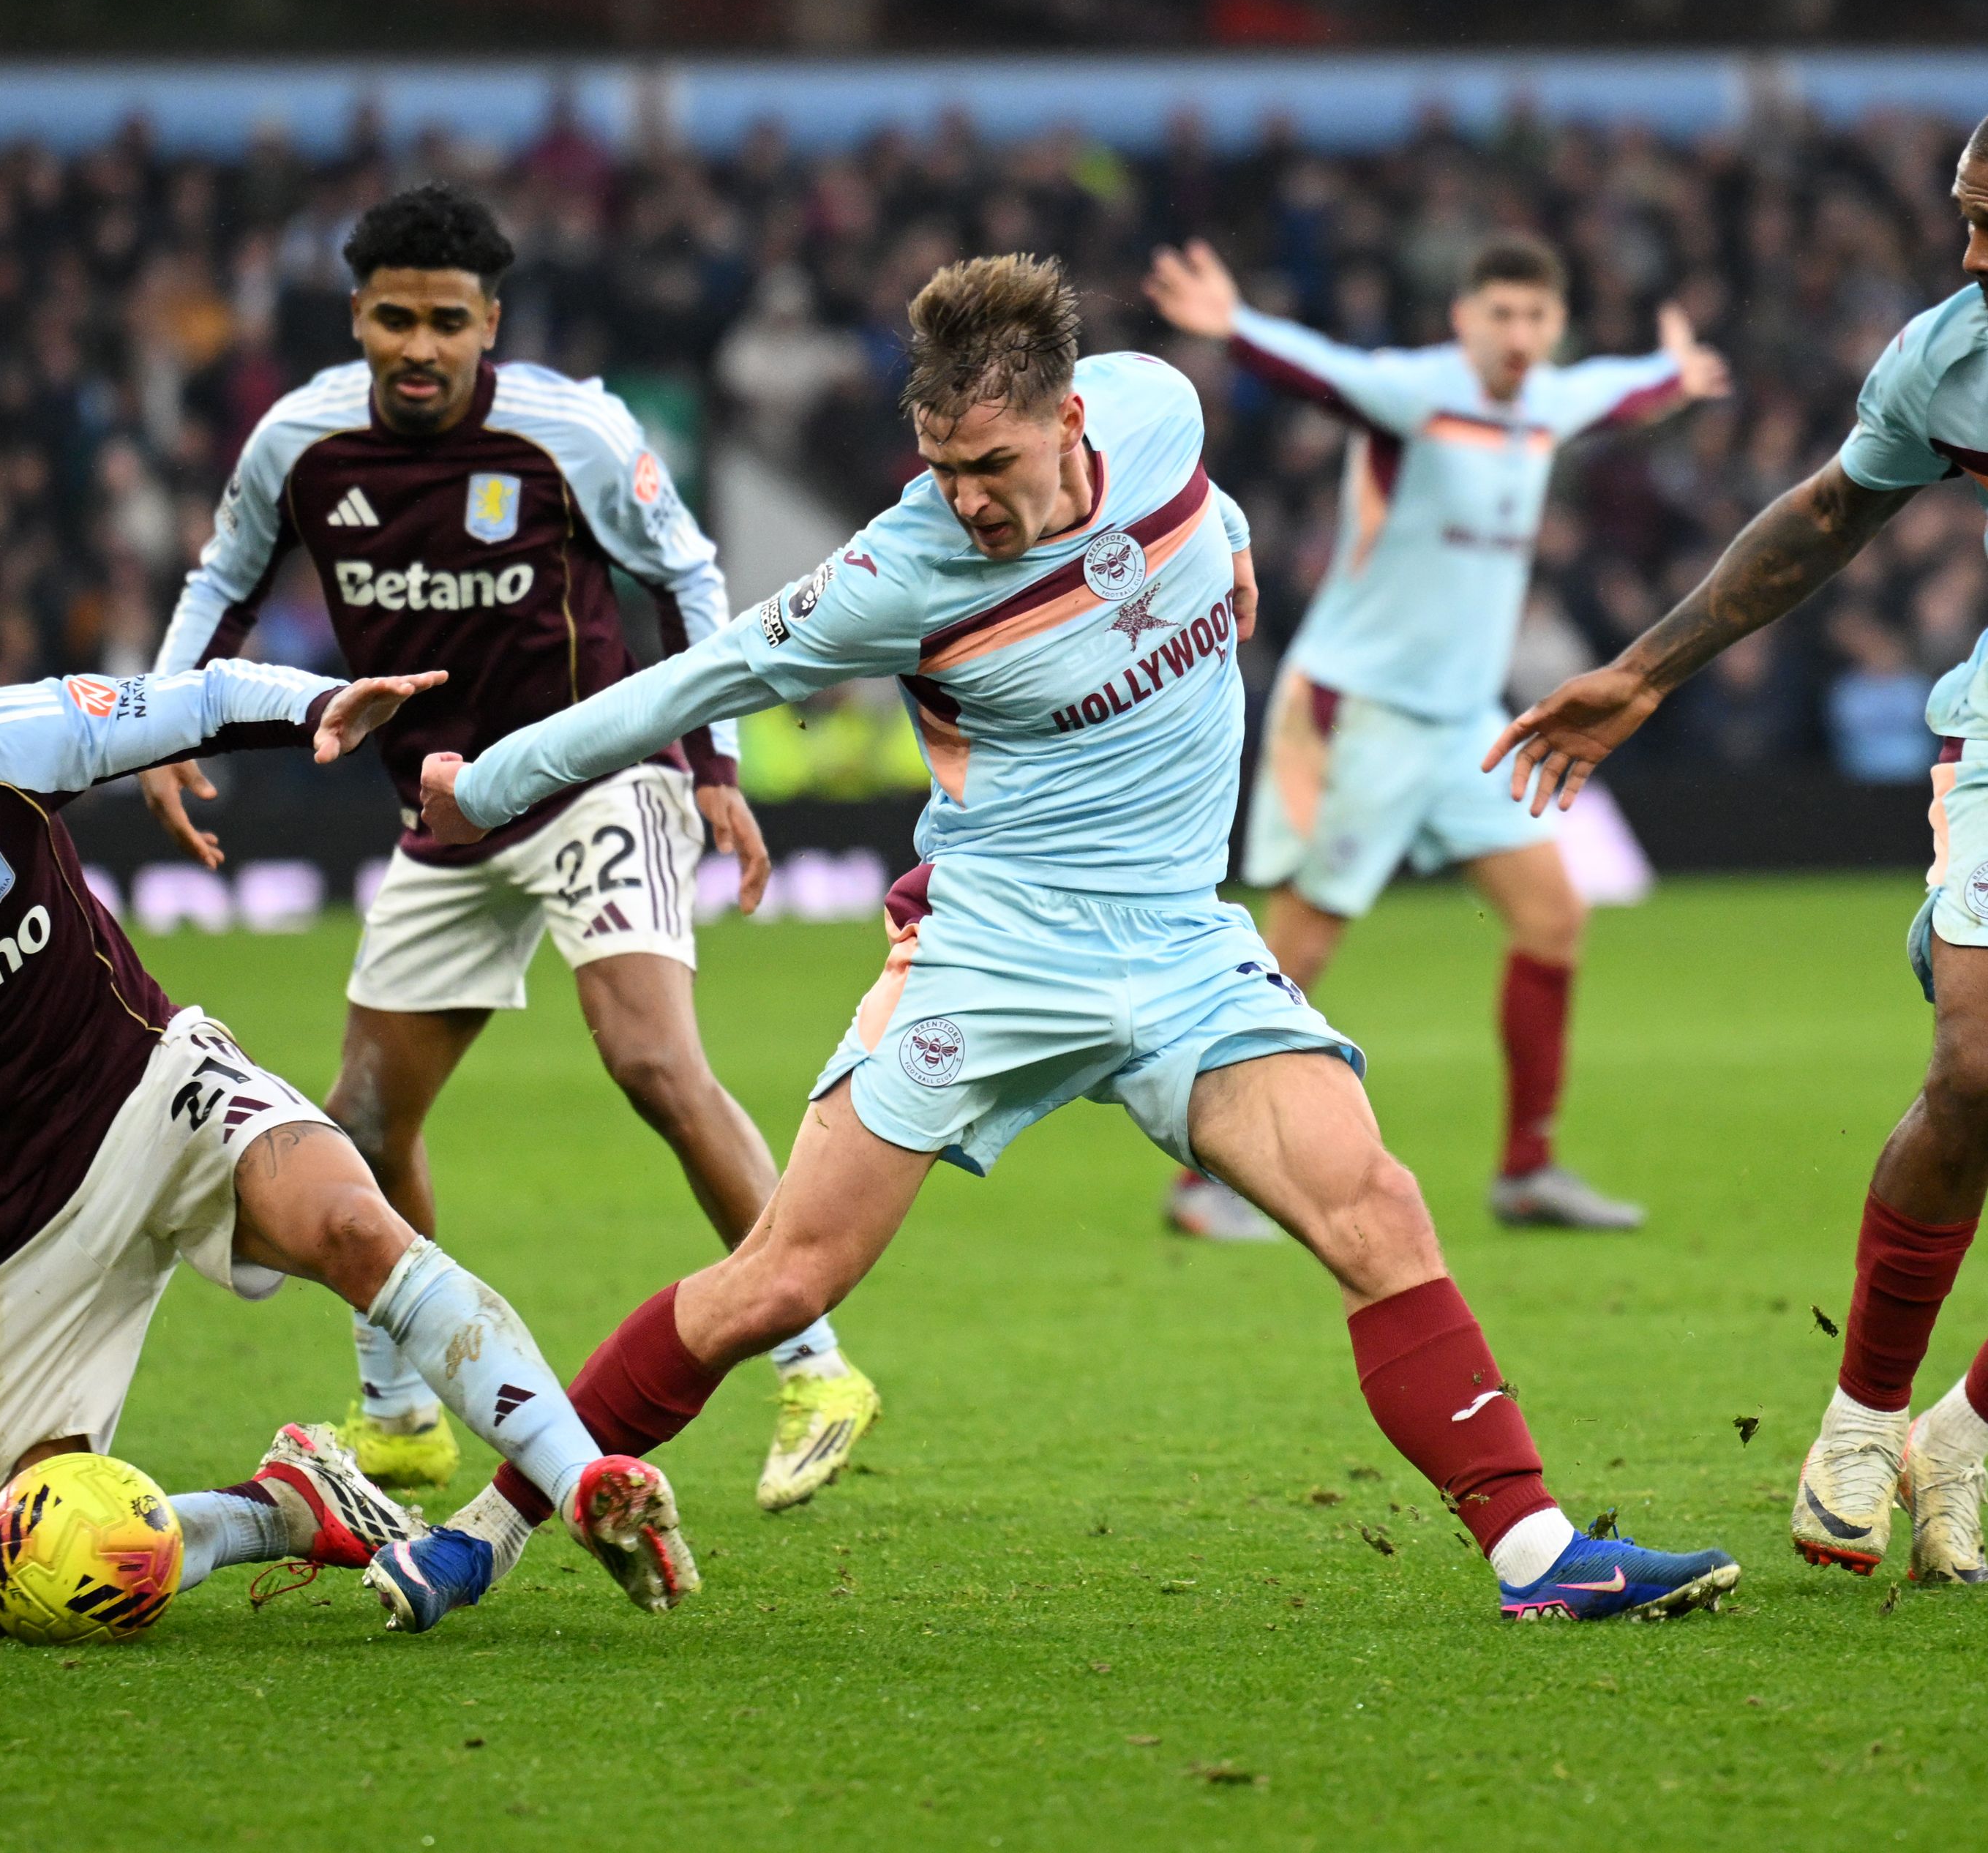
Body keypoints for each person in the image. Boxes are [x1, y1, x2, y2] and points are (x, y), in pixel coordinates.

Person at [370, 253, 1738, 1632]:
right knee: (780, 1281)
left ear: (1072, 419)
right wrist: (479, 784)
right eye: (941, 463)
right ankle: (483, 1534)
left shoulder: (1160, 410)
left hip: (1186, 950)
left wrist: (1245, 556)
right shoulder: (896, 574)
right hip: (995, 957)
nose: (966, 495)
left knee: (1375, 1207)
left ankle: (1540, 1556)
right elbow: (694, 676)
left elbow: (1212, 503)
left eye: (992, 462)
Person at [146, 184, 878, 1509]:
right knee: (364, 1120)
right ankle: (402, 1412)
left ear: (490, 323)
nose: (417, 348)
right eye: (391, 320)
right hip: (441, 816)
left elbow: (686, 577)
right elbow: (224, 580)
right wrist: (161, 725)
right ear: (357, 318)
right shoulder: (299, 440)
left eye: (445, 322)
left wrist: (711, 765)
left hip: (599, 775)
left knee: (652, 1061)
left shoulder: (572, 429)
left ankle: (818, 1364)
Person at [0, 659, 694, 1636]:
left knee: (348, 1222)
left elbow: (199, 702)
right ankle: (283, 1506)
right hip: (14, 1237)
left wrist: (312, 705)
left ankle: (580, 1477)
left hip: (152, 1091)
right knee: (2, 1593)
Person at [1487, 117, 1988, 1585]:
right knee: (1975, 1064)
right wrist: (1644, 670)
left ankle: (1961, 1432)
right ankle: (1861, 1411)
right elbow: (1834, 506)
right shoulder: (1947, 355)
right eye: (1963, 216)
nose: (1967, 251)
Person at [1144, 234, 1730, 1232]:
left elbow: (1615, 394)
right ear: (1463, 319)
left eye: (1535, 318)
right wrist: (1234, 327)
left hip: (1465, 722)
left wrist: (1675, 373)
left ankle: (1526, 1171)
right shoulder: (1416, 394)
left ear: (1554, 327)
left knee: (1553, 917)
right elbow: (1318, 371)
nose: (1517, 334)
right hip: (1358, 711)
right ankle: (1205, 1182)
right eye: (1499, 314)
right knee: (1299, 949)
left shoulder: (1542, 404)